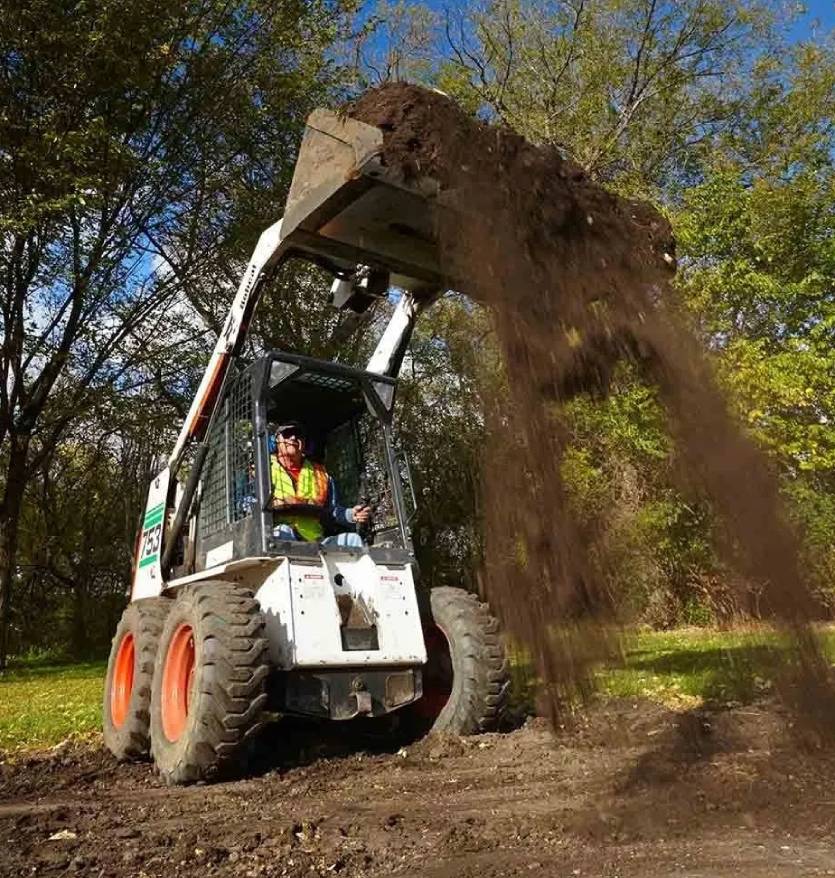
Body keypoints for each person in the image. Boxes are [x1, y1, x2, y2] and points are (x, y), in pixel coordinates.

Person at [270, 421, 371, 547]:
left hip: (316, 542)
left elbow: (332, 510)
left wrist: (352, 514)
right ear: (276, 440)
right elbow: (250, 508)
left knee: (353, 540)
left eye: (298, 435)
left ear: (304, 443)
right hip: (281, 539)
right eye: (287, 434)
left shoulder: (320, 474)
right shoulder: (264, 469)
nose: (293, 438)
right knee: (282, 532)